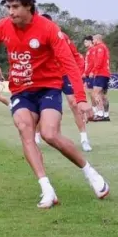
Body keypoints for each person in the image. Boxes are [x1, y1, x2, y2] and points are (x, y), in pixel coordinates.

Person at [0, 0, 109, 209]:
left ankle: (91, 174)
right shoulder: (3, 27)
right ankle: (47, 189)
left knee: (49, 134)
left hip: (48, 88)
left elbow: (69, 64)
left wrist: (81, 99)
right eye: (8, 7)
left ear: (29, 6)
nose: (11, 12)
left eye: (15, 6)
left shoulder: (48, 29)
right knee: (25, 129)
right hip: (21, 90)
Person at [40, 15, 92, 152]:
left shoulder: (62, 36)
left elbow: (75, 56)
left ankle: (84, 138)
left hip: (65, 74)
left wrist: (80, 73)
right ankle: (39, 137)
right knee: (43, 107)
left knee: (74, 104)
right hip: (49, 77)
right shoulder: (36, 38)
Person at [89, 34, 112, 121]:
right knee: (102, 95)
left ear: (97, 39)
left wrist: (93, 71)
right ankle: (106, 115)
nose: (93, 42)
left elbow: (99, 60)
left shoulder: (100, 47)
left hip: (100, 73)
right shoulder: (104, 47)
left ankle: (100, 114)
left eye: (93, 40)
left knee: (95, 93)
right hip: (105, 74)